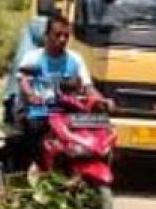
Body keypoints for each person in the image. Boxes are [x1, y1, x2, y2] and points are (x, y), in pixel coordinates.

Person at [6, 12, 106, 173]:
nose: (62, 39)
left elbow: (88, 87)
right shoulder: (33, 57)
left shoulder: (75, 59)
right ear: (47, 35)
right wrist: (31, 95)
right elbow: (23, 80)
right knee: (25, 141)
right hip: (37, 112)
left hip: (65, 114)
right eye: (57, 35)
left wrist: (101, 100)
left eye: (66, 36)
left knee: (99, 123)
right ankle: (19, 174)